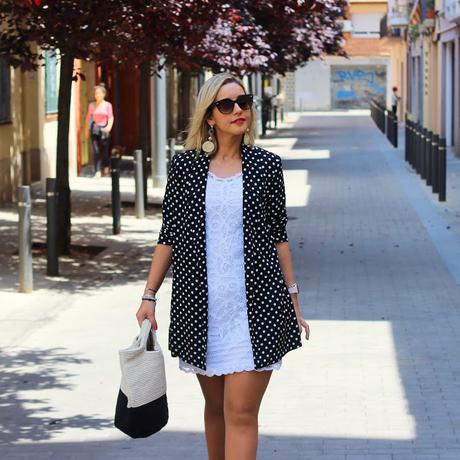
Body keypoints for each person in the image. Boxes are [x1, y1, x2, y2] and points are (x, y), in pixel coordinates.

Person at [136, 72, 310, 460]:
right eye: (226, 104)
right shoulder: (186, 168)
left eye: (243, 102)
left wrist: (294, 298)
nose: (238, 110)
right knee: (215, 410)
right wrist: (149, 296)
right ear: (209, 116)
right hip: (202, 309)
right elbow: (169, 236)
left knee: (241, 413)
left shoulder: (267, 166)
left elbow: (280, 237)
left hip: (258, 308)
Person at [85, 83, 114, 177]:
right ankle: (97, 171)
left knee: (105, 151)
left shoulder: (107, 105)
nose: (97, 95)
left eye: (99, 93)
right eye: (95, 93)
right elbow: (88, 118)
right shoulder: (91, 105)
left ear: (103, 94)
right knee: (96, 151)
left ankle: (106, 167)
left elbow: (110, 117)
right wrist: (87, 130)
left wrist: (108, 127)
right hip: (95, 129)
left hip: (104, 129)